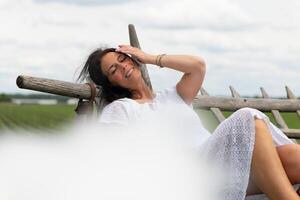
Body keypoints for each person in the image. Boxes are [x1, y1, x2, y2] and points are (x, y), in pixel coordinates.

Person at [78, 45, 300, 199]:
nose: (123, 66)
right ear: (110, 82)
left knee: (293, 157)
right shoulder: (120, 109)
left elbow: (197, 65)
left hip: (224, 163)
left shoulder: (172, 96)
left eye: (122, 58)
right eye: (113, 69)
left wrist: (149, 57)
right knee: (246, 117)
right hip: (194, 174)